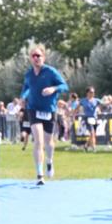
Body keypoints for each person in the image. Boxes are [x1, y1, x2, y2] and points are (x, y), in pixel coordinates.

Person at [21, 45, 69, 184]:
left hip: (49, 110)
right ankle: (39, 174)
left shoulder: (51, 72)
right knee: (38, 141)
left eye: (38, 56)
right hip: (33, 109)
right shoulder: (29, 74)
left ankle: (49, 161)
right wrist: (23, 97)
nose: (36, 58)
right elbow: (26, 87)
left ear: (43, 57)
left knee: (49, 142)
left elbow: (64, 86)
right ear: (30, 58)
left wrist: (53, 89)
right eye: (33, 56)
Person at [78, 86, 100, 152]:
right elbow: (77, 108)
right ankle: (94, 148)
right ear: (87, 93)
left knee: (93, 134)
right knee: (92, 133)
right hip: (87, 118)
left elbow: (104, 104)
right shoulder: (83, 101)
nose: (92, 94)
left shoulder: (96, 100)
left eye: (93, 92)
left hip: (94, 118)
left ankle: (86, 145)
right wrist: (72, 113)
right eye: (91, 92)